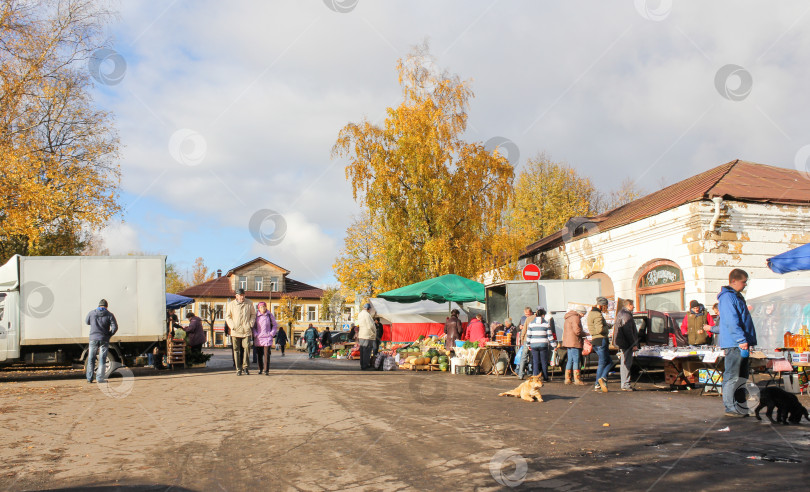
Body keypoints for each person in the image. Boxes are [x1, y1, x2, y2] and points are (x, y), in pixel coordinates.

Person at [718, 268, 758, 417]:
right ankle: (730, 407)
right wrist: (741, 339)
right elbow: (731, 320)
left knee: (741, 377)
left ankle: (740, 406)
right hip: (735, 343)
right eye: (743, 282)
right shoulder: (728, 297)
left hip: (741, 342)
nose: (745, 285)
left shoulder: (737, 296)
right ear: (734, 281)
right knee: (732, 376)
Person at [85, 299, 118, 383]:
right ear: (106, 306)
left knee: (91, 358)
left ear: (99, 305)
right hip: (104, 339)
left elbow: (87, 322)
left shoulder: (91, 313)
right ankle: (100, 378)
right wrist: (109, 334)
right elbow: (115, 327)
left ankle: (89, 378)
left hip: (93, 339)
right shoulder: (110, 315)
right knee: (102, 359)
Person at [225, 288, 256, 376]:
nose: (241, 297)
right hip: (235, 330)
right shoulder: (231, 304)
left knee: (247, 348)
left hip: (246, 330)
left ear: (244, 295)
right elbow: (227, 317)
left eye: (243, 295)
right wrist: (232, 326)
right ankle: (238, 369)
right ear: (236, 296)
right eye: (240, 295)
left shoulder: (249, 303)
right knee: (236, 350)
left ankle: (245, 367)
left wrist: (250, 324)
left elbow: (253, 315)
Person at [588, 297, 613, 393]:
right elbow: (600, 330)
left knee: (608, 361)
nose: (605, 308)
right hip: (601, 340)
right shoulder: (597, 314)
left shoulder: (591, 313)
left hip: (595, 340)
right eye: (605, 306)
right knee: (603, 362)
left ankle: (600, 382)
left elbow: (597, 326)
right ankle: (599, 382)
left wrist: (607, 325)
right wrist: (607, 328)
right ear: (602, 305)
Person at [525, 308, 556, 382]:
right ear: (543, 315)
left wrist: (528, 344)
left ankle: (535, 378)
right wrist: (554, 345)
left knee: (535, 361)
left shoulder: (531, 324)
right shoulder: (546, 324)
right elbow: (550, 336)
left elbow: (528, 335)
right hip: (543, 345)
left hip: (534, 345)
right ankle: (545, 377)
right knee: (544, 361)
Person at [614, 299, 639, 391]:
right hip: (626, 343)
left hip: (623, 342)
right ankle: (625, 384)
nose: (634, 307)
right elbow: (628, 331)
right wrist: (633, 344)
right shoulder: (626, 315)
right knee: (626, 363)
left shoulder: (622, 313)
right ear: (629, 305)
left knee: (625, 363)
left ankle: (625, 383)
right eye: (633, 305)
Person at [563, 306, 587, 385]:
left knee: (570, 360)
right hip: (574, 342)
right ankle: (577, 379)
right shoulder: (576, 318)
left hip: (568, 342)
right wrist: (585, 333)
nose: (583, 315)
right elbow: (577, 331)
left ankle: (567, 378)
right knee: (576, 360)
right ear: (580, 312)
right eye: (583, 313)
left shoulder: (568, 317)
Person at [252, 302, 278, 375]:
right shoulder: (256, 316)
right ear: (258, 308)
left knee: (267, 354)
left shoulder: (269, 315)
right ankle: (260, 368)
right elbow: (253, 327)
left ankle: (266, 370)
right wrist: (255, 334)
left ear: (266, 307)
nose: (263, 308)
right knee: (259, 354)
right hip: (259, 338)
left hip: (267, 337)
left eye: (264, 306)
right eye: (261, 307)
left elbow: (275, 325)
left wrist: (271, 333)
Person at [357, 303, 376, 370]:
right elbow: (371, 325)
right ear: (368, 309)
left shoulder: (360, 314)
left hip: (361, 335)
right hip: (367, 335)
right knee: (367, 351)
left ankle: (362, 364)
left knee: (362, 351)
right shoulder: (367, 315)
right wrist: (374, 332)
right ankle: (366, 365)